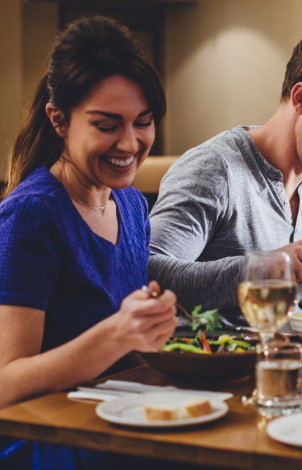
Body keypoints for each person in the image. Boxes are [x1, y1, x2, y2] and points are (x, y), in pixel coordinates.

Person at [0, 16, 178, 469]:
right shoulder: (32, 215)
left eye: (143, 122)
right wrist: (117, 335)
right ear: (59, 120)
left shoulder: (133, 204)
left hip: (121, 422)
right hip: (52, 442)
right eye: (106, 124)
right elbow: (6, 381)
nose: (130, 142)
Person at [148, 30, 302, 318]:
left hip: (301, 355)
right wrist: (262, 268)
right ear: (301, 97)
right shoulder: (215, 169)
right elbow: (147, 271)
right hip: (226, 357)